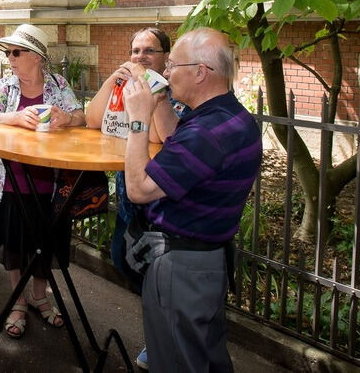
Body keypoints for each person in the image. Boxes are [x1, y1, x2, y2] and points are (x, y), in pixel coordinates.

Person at [122, 27, 262, 372]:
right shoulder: (227, 118)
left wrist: (138, 120)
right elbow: (175, 140)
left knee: (176, 362)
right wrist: (157, 104)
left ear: (200, 73)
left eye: (172, 66)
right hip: (206, 262)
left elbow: (138, 189)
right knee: (204, 358)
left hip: (181, 268)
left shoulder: (207, 134)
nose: (165, 72)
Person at [0, 24, 85, 337]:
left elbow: (81, 117)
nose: (9, 57)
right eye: (8, 52)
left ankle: (40, 297)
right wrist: (12, 117)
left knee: (45, 243)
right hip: (11, 180)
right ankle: (19, 301)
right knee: (15, 244)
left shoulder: (57, 84)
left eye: (16, 52)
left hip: (50, 182)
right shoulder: (6, 86)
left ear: (37, 56)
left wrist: (66, 118)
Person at [85, 28, 181, 369]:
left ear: (166, 57)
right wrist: (114, 79)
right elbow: (94, 120)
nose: (140, 57)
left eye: (149, 51)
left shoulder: (171, 93)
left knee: (158, 275)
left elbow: (161, 136)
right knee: (122, 258)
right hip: (129, 193)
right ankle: (162, 331)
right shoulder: (127, 87)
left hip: (160, 201)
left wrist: (150, 90)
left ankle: (166, 342)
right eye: (135, 51)